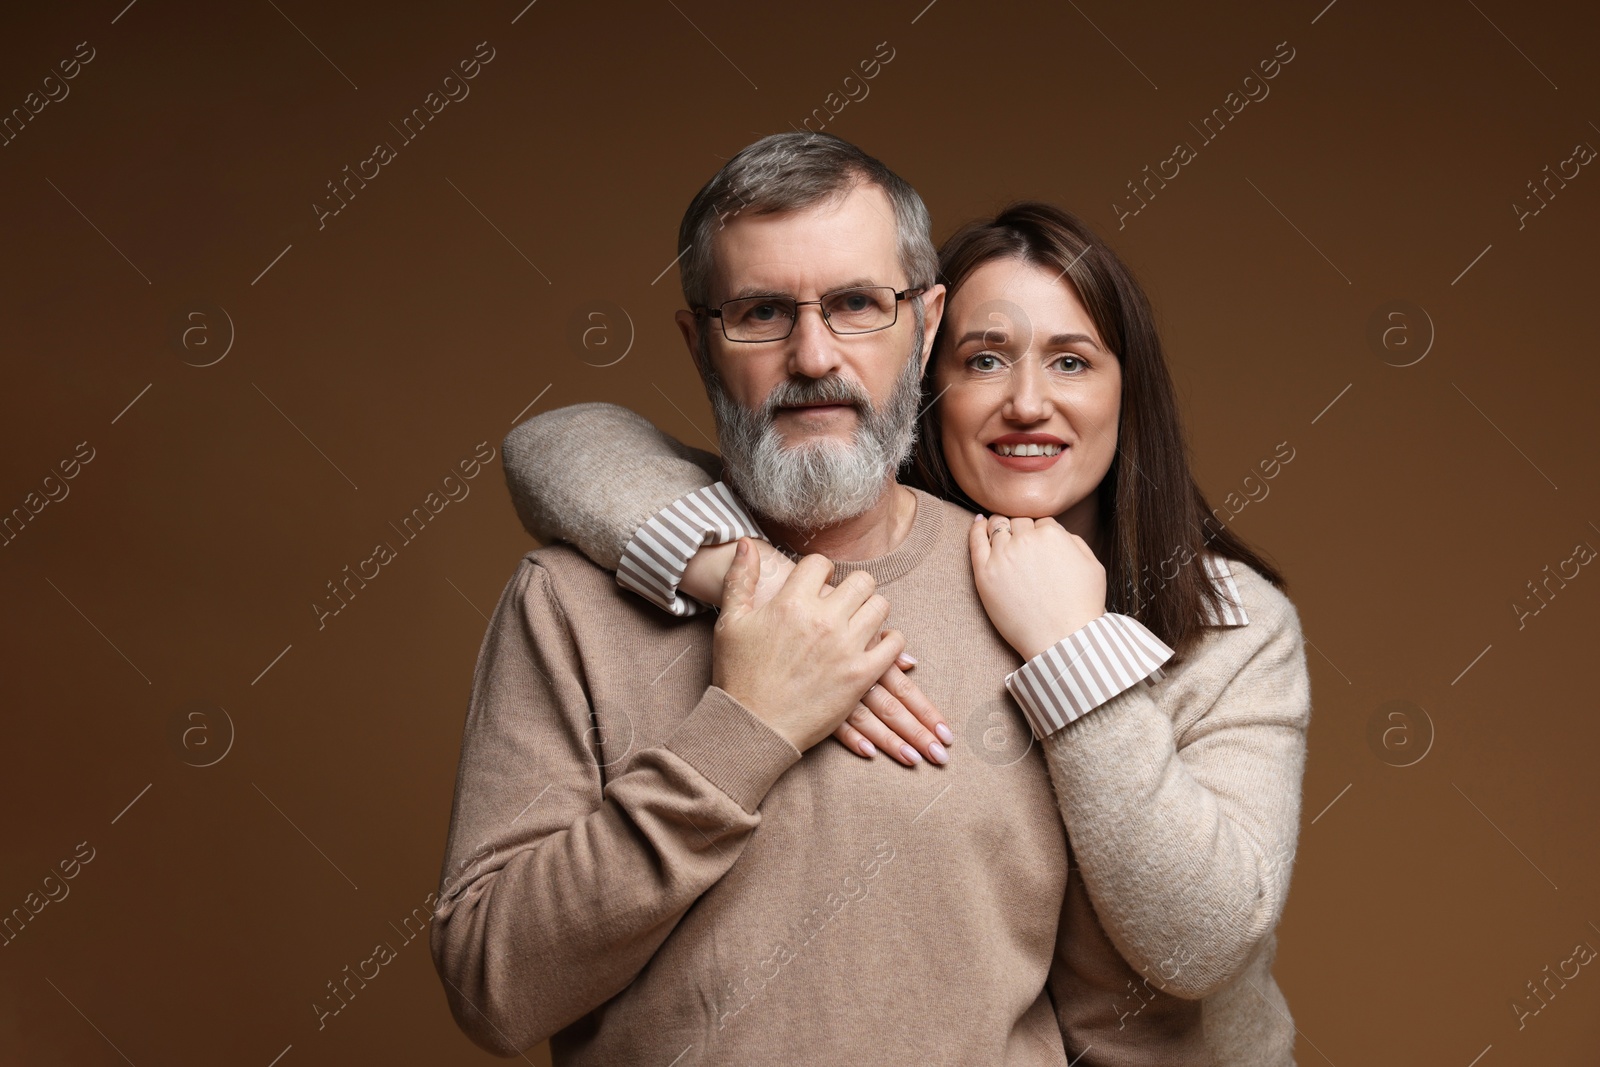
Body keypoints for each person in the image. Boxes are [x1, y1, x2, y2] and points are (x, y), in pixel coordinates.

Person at [430, 133, 1212, 1064]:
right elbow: (495, 986)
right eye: (761, 312)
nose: (811, 355)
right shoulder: (569, 603)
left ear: (925, 327)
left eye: (854, 305)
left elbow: (1126, 1022)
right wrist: (742, 731)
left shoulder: (1041, 600)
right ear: (700, 343)